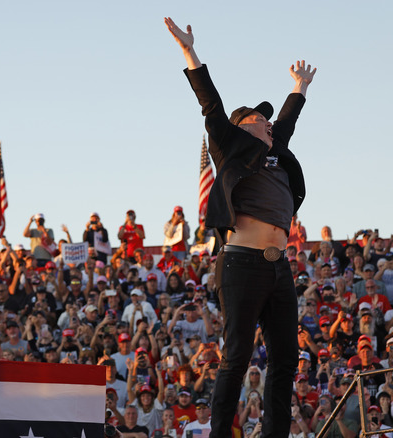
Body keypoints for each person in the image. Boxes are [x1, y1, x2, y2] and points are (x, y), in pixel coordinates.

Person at [164, 16, 317, 438]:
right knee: (236, 357)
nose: (268, 122)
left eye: (269, 120)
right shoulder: (230, 146)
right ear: (240, 126)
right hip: (241, 263)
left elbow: (287, 120)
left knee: (286, 358)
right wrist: (189, 51)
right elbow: (210, 103)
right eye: (258, 118)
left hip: (278, 267)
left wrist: (300, 86)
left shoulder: (275, 149)